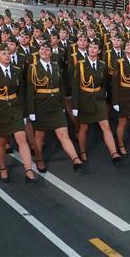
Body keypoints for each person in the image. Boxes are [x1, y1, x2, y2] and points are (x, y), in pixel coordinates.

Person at [0, 47, 37, 183]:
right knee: (1, 141)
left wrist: (24, 113)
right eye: (3, 54)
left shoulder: (17, 71)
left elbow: (21, 93)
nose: (7, 56)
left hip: (15, 107)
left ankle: (28, 170)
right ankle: (2, 168)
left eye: (8, 54)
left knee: (21, 138)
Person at [28, 44, 84, 173]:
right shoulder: (33, 68)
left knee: (63, 135)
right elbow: (30, 91)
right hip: (41, 106)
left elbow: (62, 87)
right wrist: (31, 111)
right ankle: (39, 159)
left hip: (56, 106)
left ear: (51, 53)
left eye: (47, 49)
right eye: (42, 49)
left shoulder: (55, 66)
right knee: (40, 138)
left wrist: (64, 106)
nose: (44, 51)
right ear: (38, 52)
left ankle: (75, 159)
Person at [72, 43, 123, 162]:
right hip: (85, 100)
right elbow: (75, 86)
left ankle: (114, 152)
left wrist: (103, 95)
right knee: (84, 127)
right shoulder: (80, 64)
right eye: (90, 47)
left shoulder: (102, 65)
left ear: (99, 51)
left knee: (105, 125)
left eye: (95, 48)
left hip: (99, 99)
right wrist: (75, 105)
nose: (92, 49)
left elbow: (104, 82)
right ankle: (82, 151)